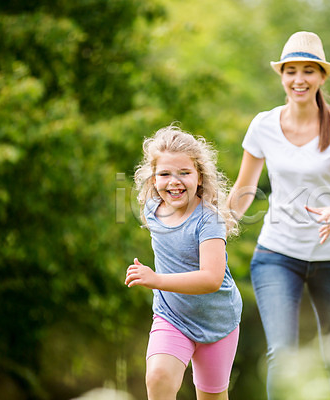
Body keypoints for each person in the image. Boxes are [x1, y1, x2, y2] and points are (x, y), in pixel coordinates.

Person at [227, 31, 330, 399]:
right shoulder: (263, 125)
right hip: (277, 255)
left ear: (322, 77)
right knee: (282, 357)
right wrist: (213, 228)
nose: (299, 79)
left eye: (308, 71)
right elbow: (244, 189)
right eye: (291, 71)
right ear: (281, 76)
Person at [125, 125, 242, 400]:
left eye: (184, 173)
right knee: (158, 377)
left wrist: (156, 280)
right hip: (171, 316)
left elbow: (211, 279)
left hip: (217, 321)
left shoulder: (208, 220)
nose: (173, 182)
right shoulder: (152, 209)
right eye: (164, 174)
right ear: (153, 178)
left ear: (200, 177)